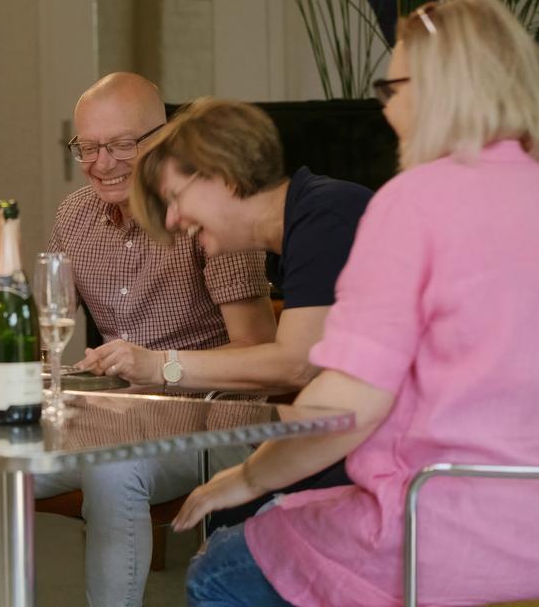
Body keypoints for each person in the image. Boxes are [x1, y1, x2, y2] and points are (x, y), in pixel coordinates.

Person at [175, 0, 539, 606]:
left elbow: (347, 407)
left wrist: (247, 476)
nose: (387, 109)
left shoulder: (412, 204)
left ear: (436, 87)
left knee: (219, 567)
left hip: (435, 539)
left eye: (392, 88)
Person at [0, 73, 277, 606]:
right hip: (112, 412)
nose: (99, 163)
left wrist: (157, 363)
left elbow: (257, 350)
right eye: (86, 146)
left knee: (113, 466)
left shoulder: (208, 212)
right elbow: (46, 326)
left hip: (213, 415)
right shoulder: (75, 215)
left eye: (119, 145)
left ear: (164, 136)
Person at [124, 97, 373, 526]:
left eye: (174, 198)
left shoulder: (326, 217)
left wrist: (161, 367)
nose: (171, 220)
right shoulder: (301, 228)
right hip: (374, 430)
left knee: (229, 541)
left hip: (411, 448)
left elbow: (296, 365)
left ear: (221, 175)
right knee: (233, 512)